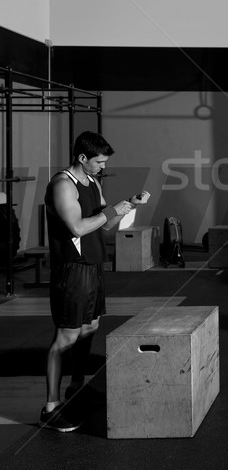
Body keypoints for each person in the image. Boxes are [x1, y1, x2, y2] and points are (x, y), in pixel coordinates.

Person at [40, 131, 150, 432]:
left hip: (93, 266)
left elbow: (104, 225)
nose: (102, 167)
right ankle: (49, 407)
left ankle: (75, 386)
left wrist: (128, 204)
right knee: (65, 337)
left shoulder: (94, 182)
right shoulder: (62, 185)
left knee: (90, 326)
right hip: (72, 269)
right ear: (82, 158)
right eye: (99, 162)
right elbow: (77, 227)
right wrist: (112, 210)